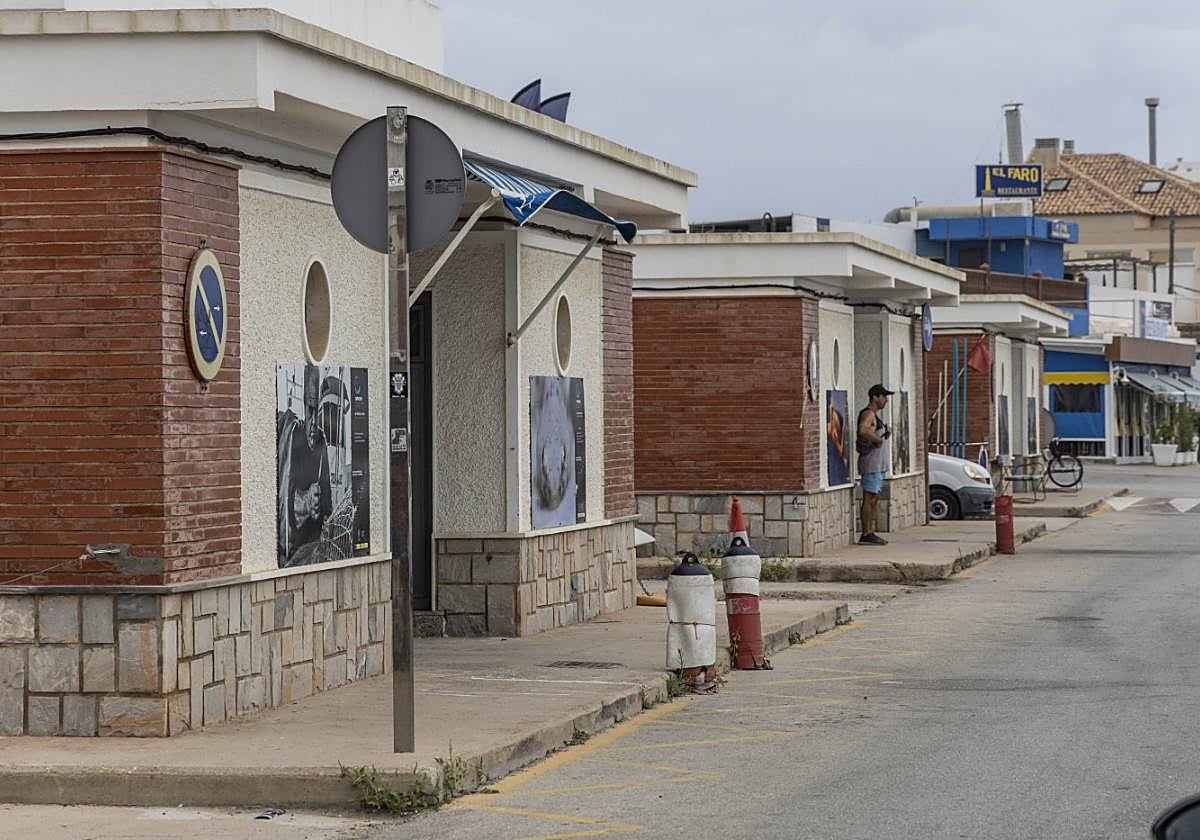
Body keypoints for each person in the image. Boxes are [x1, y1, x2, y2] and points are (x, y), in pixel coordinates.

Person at [277, 363, 332, 566]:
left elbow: (327, 499)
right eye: (310, 410)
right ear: (304, 407)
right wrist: (304, 500)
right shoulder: (293, 432)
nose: (314, 421)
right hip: (293, 547)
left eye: (318, 411)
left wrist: (324, 516)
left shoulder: (320, 440)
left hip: (312, 546)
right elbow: (284, 494)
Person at [856, 384, 894, 546]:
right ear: (875, 397)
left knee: (874, 498)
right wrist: (877, 440)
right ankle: (866, 533)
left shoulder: (875, 416)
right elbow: (863, 430)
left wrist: (884, 434)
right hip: (871, 465)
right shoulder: (869, 414)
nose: (886, 400)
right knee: (869, 498)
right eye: (883, 397)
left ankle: (870, 531)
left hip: (877, 465)